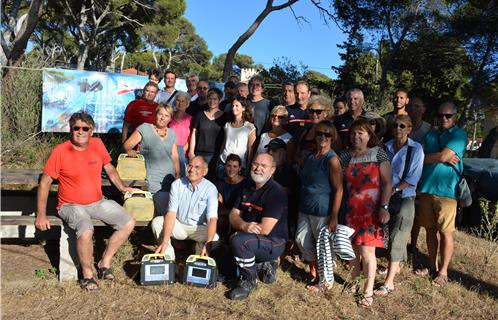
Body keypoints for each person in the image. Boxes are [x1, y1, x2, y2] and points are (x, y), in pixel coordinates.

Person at [35, 112, 136, 291]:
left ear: (92, 131)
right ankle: (87, 275)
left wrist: (121, 187)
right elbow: (44, 184)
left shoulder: (97, 144)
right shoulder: (60, 151)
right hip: (70, 205)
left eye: (85, 128)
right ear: (70, 129)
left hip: (97, 202)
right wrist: (41, 215)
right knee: (86, 229)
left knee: (128, 222)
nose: (80, 132)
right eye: (76, 128)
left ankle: (104, 263)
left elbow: (109, 167)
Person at [338, 118, 391, 307]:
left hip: (371, 212)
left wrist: (384, 207)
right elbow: (340, 185)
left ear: (369, 135)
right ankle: (354, 281)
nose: (356, 136)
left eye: (360, 132)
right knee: (352, 249)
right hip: (351, 210)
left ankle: (368, 290)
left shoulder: (379, 154)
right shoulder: (345, 156)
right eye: (353, 133)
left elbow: (387, 183)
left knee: (368, 251)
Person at [415, 102, 467, 287]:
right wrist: (441, 156)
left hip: (447, 193)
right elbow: (418, 158)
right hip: (427, 189)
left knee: (446, 233)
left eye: (448, 115)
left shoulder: (459, 134)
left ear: (455, 116)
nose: (444, 118)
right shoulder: (431, 134)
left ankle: (443, 272)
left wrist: (436, 157)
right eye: (441, 115)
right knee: (429, 230)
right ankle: (431, 266)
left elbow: (437, 157)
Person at [374, 115, 424, 296]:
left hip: (404, 197)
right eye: (395, 125)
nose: (398, 129)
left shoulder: (416, 149)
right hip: (385, 197)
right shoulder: (385, 147)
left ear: (410, 129)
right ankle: (394, 267)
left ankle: (389, 282)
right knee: (385, 234)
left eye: (402, 126)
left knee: (398, 236)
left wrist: (393, 190)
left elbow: (413, 178)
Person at [228, 153, 288, 300]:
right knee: (224, 270)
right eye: (256, 164)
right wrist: (243, 224)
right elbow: (233, 215)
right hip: (249, 236)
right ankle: (263, 264)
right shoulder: (246, 186)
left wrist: (241, 232)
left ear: (272, 170)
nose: (258, 168)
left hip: (273, 240)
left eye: (263, 166)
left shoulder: (276, 192)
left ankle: (249, 281)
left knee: (239, 242)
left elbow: (265, 229)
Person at [295, 120, 343, 291]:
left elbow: (338, 189)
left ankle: (326, 282)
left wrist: (334, 216)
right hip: (305, 206)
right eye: (319, 133)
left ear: (333, 137)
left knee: (324, 246)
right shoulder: (310, 156)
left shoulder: (332, 160)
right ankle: (315, 269)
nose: (323, 137)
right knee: (301, 239)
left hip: (322, 209)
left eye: (327, 134)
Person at [152, 156, 219, 259]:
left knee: (214, 238)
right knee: (157, 222)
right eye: (190, 166)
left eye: (197, 167)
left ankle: (198, 258)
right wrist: (165, 240)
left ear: (204, 171)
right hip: (179, 225)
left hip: (197, 228)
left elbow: (212, 219)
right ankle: (169, 258)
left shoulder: (211, 189)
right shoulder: (177, 185)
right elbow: (171, 213)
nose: (192, 170)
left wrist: (208, 244)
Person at [124, 104, 180, 215]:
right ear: (155, 115)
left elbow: (175, 156)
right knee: (162, 205)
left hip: (169, 178)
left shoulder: (172, 133)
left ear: (170, 118)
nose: (162, 118)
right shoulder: (145, 128)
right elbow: (127, 145)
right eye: (160, 114)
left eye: (166, 115)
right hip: (152, 176)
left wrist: (178, 176)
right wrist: (130, 151)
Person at [189, 88, 226, 170]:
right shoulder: (200, 115)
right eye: (210, 98)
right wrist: (191, 152)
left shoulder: (225, 117)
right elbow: (194, 133)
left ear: (219, 100)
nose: (212, 101)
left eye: (215, 99)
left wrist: (220, 155)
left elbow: (225, 138)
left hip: (214, 156)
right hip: (198, 153)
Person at [219, 95, 256, 176]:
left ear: (243, 108)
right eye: (232, 105)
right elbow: (224, 143)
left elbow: (251, 149)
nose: (233, 108)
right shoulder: (227, 125)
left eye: (237, 105)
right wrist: (218, 160)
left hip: (239, 165)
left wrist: (249, 166)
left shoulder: (250, 127)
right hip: (224, 162)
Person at [214, 154, 246, 240]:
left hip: (241, 214)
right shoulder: (219, 183)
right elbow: (218, 206)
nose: (231, 169)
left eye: (235, 166)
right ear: (225, 167)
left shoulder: (246, 183)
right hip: (224, 214)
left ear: (239, 168)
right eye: (229, 166)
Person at [169, 92, 192, 177]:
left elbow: (191, 138)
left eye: (183, 101)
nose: (180, 103)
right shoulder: (169, 116)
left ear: (187, 104)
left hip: (183, 154)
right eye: (178, 100)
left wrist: (181, 150)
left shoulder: (190, 119)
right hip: (168, 152)